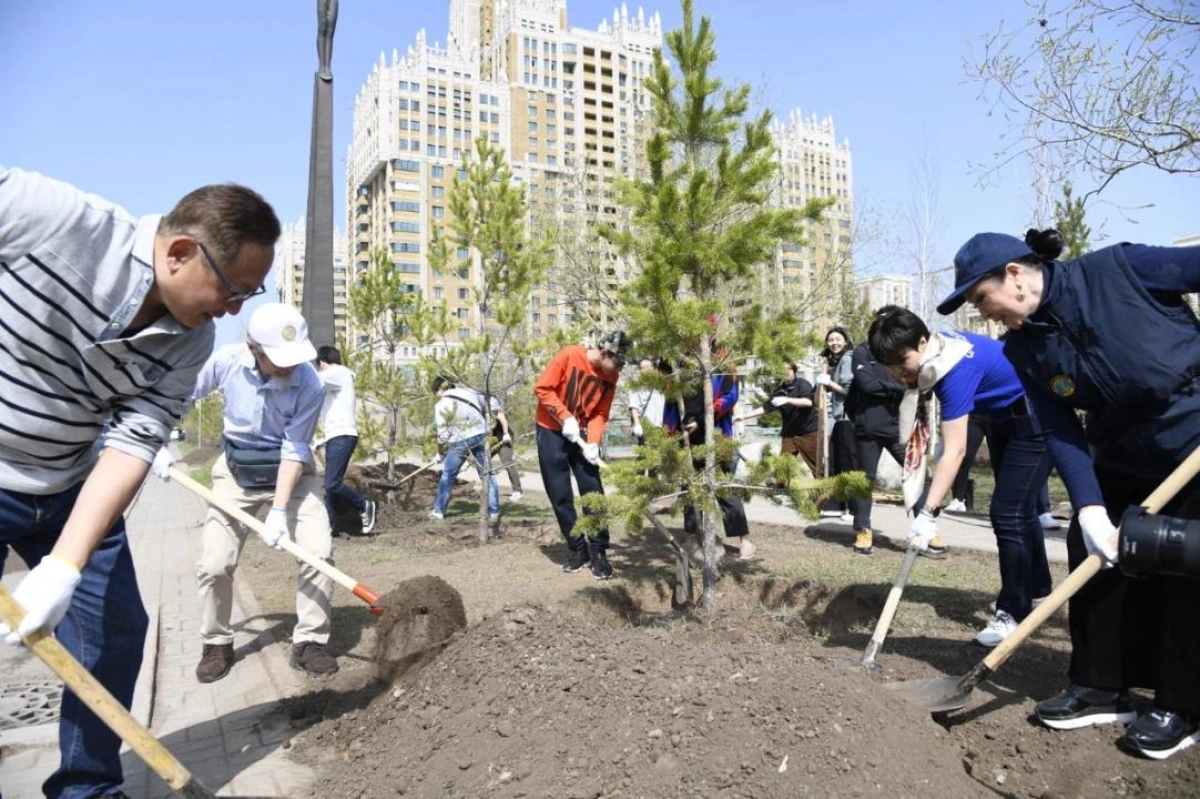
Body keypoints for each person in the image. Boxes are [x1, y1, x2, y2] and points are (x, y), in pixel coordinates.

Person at [0, 166, 279, 798]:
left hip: (70, 485)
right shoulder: (58, 219)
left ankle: (87, 788)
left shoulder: (191, 344)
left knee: (115, 631)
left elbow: (132, 440)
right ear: (179, 252)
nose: (234, 310)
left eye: (249, 295)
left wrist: (64, 566)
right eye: (232, 289)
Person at [939, 228, 1200, 758]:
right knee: (1095, 556)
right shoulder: (1024, 348)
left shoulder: (1121, 271)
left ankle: (1183, 705)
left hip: (1192, 442)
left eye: (981, 299)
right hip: (1120, 452)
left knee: (1185, 567)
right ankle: (1101, 687)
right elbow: (1059, 427)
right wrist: (1090, 507)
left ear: (1015, 275)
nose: (984, 314)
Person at [869, 306, 1052, 646]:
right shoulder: (938, 355)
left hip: (1037, 419)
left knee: (1007, 513)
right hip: (1006, 419)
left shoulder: (954, 369)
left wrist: (928, 513)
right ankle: (1037, 589)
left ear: (922, 342)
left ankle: (1013, 611)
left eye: (901, 361)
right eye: (888, 365)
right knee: (1021, 511)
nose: (897, 373)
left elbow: (955, 451)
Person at [186, 303, 338, 683]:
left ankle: (310, 640)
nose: (290, 367)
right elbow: (181, 393)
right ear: (253, 347)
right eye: (279, 359)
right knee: (215, 563)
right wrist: (153, 435)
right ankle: (216, 641)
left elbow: (295, 448)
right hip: (237, 472)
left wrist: (278, 510)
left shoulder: (310, 383)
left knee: (318, 553)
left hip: (293, 472)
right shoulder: (226, 362)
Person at [534, 331, 629, 579]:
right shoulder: (569, 355)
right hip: (551, 430)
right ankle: (578, 550)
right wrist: (565, 417)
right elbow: (543, 388)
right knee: (560, 494)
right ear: (605, 353)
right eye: (619, 362)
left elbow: (600, 413)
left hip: (583, 434)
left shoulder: (611, 375)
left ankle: (599, 551)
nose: (620, 368)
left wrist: (593, 442)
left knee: (593, 490)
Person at [844, 332, 948, 556]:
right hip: (868, 426)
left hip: (901, 427)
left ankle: (926, 529)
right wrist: (901, 390)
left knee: (917, 473)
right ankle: (863, 529)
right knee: (864, 479)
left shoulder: (904, 349)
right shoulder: (863, 350)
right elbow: (867, 385)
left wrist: (898, 389)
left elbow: (920, 385)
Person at [666, 365, 754, 559]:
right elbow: (670, 403)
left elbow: (730, 397)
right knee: (690, 487)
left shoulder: (720, 364)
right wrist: (671, 433)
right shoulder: (678, 366)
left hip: (715, 434)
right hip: (686, 437)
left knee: (724, 487)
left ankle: (744, 538)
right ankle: (692, 535)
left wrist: (701, 420)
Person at [315, 345, 376, 535]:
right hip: (337, 435)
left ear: (322, 362)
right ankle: (331, 525)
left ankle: (364, 505)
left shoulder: (336, 373)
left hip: (341, 435)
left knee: (332, 483)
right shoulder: (338, 377)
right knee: (331, 485)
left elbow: (311, 380)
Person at [430, 376, 500, 522]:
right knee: (487, 473)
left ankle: (438, 511)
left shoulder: (441, 405)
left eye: (435, 393)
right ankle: (493, 511)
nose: (436, 396)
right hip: (480, 435)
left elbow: (442, 435)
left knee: (448, 475)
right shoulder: (469, 391)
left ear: (440, 389)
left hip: (458, 441)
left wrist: (440, 453)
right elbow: (492, 403)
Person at [741, 364, 820, 477]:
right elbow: (766, 408)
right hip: (790, 434)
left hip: (808, 432)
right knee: (782, 465)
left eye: (789, 369)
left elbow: (808, 402)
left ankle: (825, 486)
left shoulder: (802, 384)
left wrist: (787, 400)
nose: (786, 372)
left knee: (816, 465)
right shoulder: (780, 391)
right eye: (782, 369)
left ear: (794, 371)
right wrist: (744, 416)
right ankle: (780, 486)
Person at [819, 327, 856, 522]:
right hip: (840, 418)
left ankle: (853, 509)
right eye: (831, 340)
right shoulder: (838, 361)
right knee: (837, 461)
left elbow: (849, 390)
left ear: (846, 341)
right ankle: (841, 505)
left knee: (847, 463)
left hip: (848, 418)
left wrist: (829, 383)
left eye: (838, 339)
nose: (834, 343)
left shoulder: (848, 359)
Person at [946, 413, 990, 512]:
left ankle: (1001, 500)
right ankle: (958, 499)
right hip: (976, 415)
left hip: (997, 416)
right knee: (964, 457)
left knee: (998, 460)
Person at [488, 396, 523, 501]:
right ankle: (486, 486)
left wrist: (506, 433)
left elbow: (502, 417)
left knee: (507, 463)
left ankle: (518, 491)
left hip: (504, 439)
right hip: (493, 440)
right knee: (483, 460)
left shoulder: (491, 407)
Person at [628, 356, 667, 445]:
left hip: (663, 425)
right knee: (649, 450)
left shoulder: (660, 384)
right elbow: (634, 406)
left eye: (650, 366)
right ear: (640, 370)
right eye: (645, 367)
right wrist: (637, 424)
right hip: (647, 426)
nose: (648, 369)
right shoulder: (636, 386)